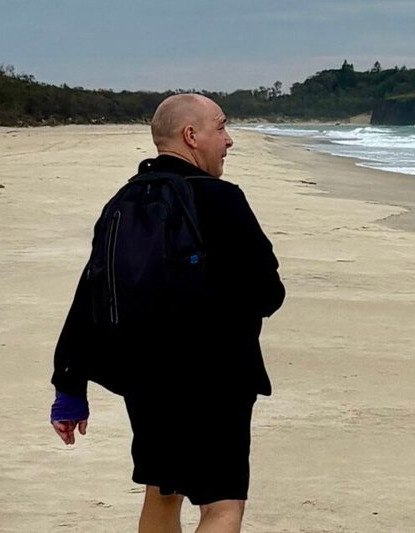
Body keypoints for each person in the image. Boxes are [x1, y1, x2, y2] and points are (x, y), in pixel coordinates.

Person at [48, 94, 285, 533]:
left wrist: (69, 385)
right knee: (222, 503)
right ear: (191, 136)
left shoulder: (123, 202)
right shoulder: (222, 199)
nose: (229, 140)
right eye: (221, 128)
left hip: (145, 379)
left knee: (162, 493)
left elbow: (91, 292)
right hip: (217, 378)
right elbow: (269, 292)